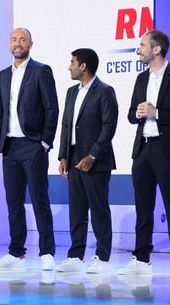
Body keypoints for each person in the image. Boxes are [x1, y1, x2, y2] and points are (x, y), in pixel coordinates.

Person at [118, 29, 170, 277]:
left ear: (156, 49)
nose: (139, 50)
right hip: (143, 148)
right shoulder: (141, 78)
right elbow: (130, 114)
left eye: (142, 45)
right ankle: (141, 258)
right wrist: (138, 113)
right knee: (143, 205)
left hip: (167, 150)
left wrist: (157, 112)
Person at [0, 27, 59, 270]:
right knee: (13, 201)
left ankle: (47, 252)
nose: (18, 43)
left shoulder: (41, 70)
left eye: (22, 40)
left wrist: (45, 142)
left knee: (40, 199)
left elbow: (52, 108)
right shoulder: (3, 75)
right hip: (10, 146)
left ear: (31, 43)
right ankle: (16, 250)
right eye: (14, 39)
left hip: (32, 145)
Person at [55, 48, 118, 274]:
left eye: (72, 62)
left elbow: (109, 127)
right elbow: (65, 125)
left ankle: (102, 257)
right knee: (77, 209)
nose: (69, 66)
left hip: (96, 161)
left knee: (98, 209)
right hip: (73, 159)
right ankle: (76, 254)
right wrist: (63, 155)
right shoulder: (71, 92)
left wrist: (92, 155)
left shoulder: (104, 91)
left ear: (83, 66)